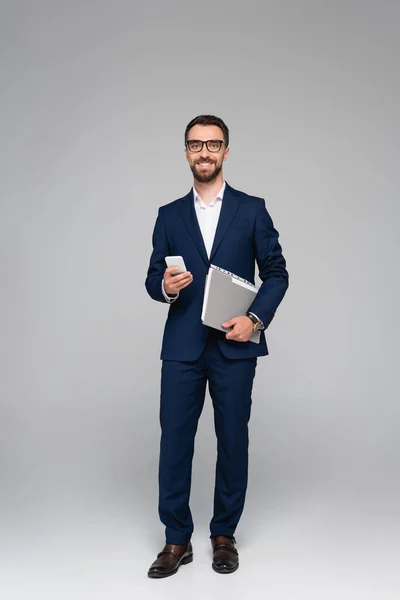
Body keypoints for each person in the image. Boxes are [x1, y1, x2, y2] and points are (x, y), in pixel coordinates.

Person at [145, 115, 289, 577]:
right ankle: (175, 540)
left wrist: (254, 319)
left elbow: (277, 272)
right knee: (175, 444)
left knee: (233, 442)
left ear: (226, 151)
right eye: (195, 145)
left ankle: (223, 535)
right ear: (186, 151)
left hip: (234, 342)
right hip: (183, 345)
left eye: (213, 144)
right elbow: (152, 278)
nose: (203, 152)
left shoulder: (251, 209)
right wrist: (166, 286)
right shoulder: (169, 215)